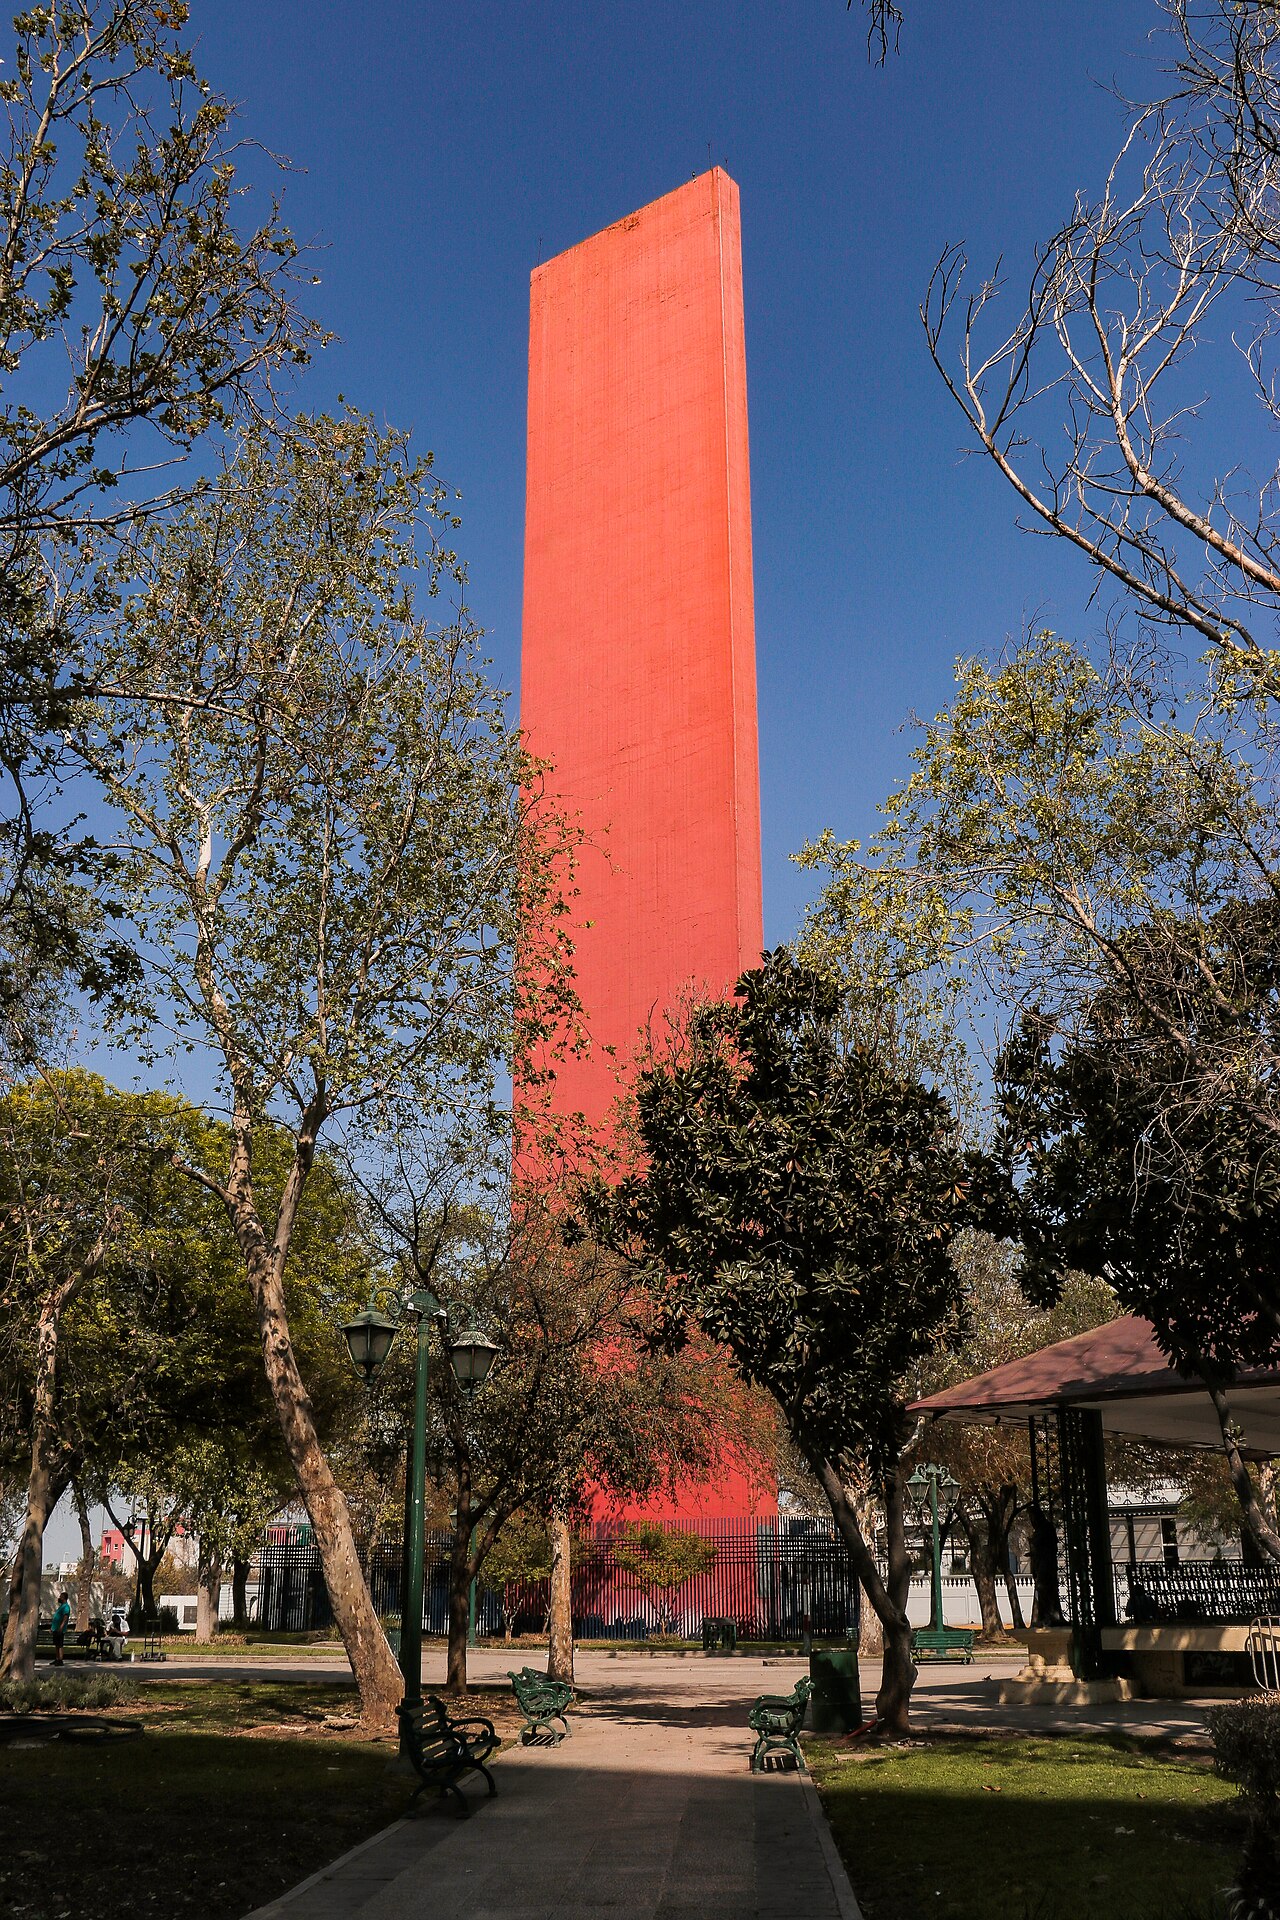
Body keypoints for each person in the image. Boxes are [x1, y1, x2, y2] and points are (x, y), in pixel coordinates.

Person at [49, 1589, 71, 1666]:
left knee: (60, 1645)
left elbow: (65, 1618)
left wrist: (61, 1627)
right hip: (55, 1628)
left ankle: (60, 1660)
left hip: (60, 1629)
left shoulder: (66, 1607)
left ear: (64, 1598)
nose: (59, 1598)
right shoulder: (61, 1607)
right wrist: (52, 1628)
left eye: (61, 1597)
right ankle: (57, 1658)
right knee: (56, 1644)